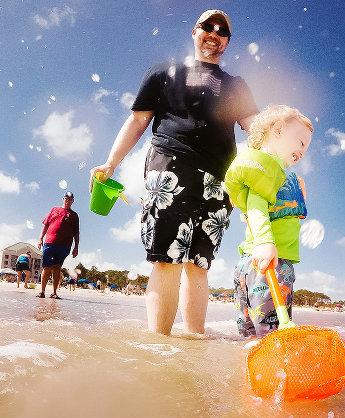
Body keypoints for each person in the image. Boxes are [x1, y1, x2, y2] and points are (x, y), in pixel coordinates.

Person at [90, 9, 258, 336]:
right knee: (166, 260)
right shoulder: (164, 73)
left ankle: (194, 341)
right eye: (208, 26)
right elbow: (138, 121)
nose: (214, 32)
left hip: (220, 181)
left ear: (227, 41)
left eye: (222, 30)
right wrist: (111, 162)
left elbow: (255, 129)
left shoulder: (236, 86)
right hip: (169, 167)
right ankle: (160, 346)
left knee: (199, 265)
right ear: (195, 31)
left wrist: (279, 167)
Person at [225, 104, 313, 338]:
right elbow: (256, 205)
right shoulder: (265, 168)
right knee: (272, 336)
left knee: (252, 335)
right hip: (270, 263)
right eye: (301, 143)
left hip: (248, 263)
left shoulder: (283, 176)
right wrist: (265, 242)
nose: (303, 152)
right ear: (278, 129)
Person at [37, 191, 79, 299]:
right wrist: (40, 238)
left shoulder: (74, 216)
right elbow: (45, 224)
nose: (68, 200)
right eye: (66, 198)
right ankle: (42, 292)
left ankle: (54, 292)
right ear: (63, 199)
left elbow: (76, 233)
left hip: (64, 245)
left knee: (57, 268)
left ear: (73, 201)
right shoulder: (54, 209)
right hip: (50, 242)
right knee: (47, 267)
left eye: (70, 199)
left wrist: (76, 247)